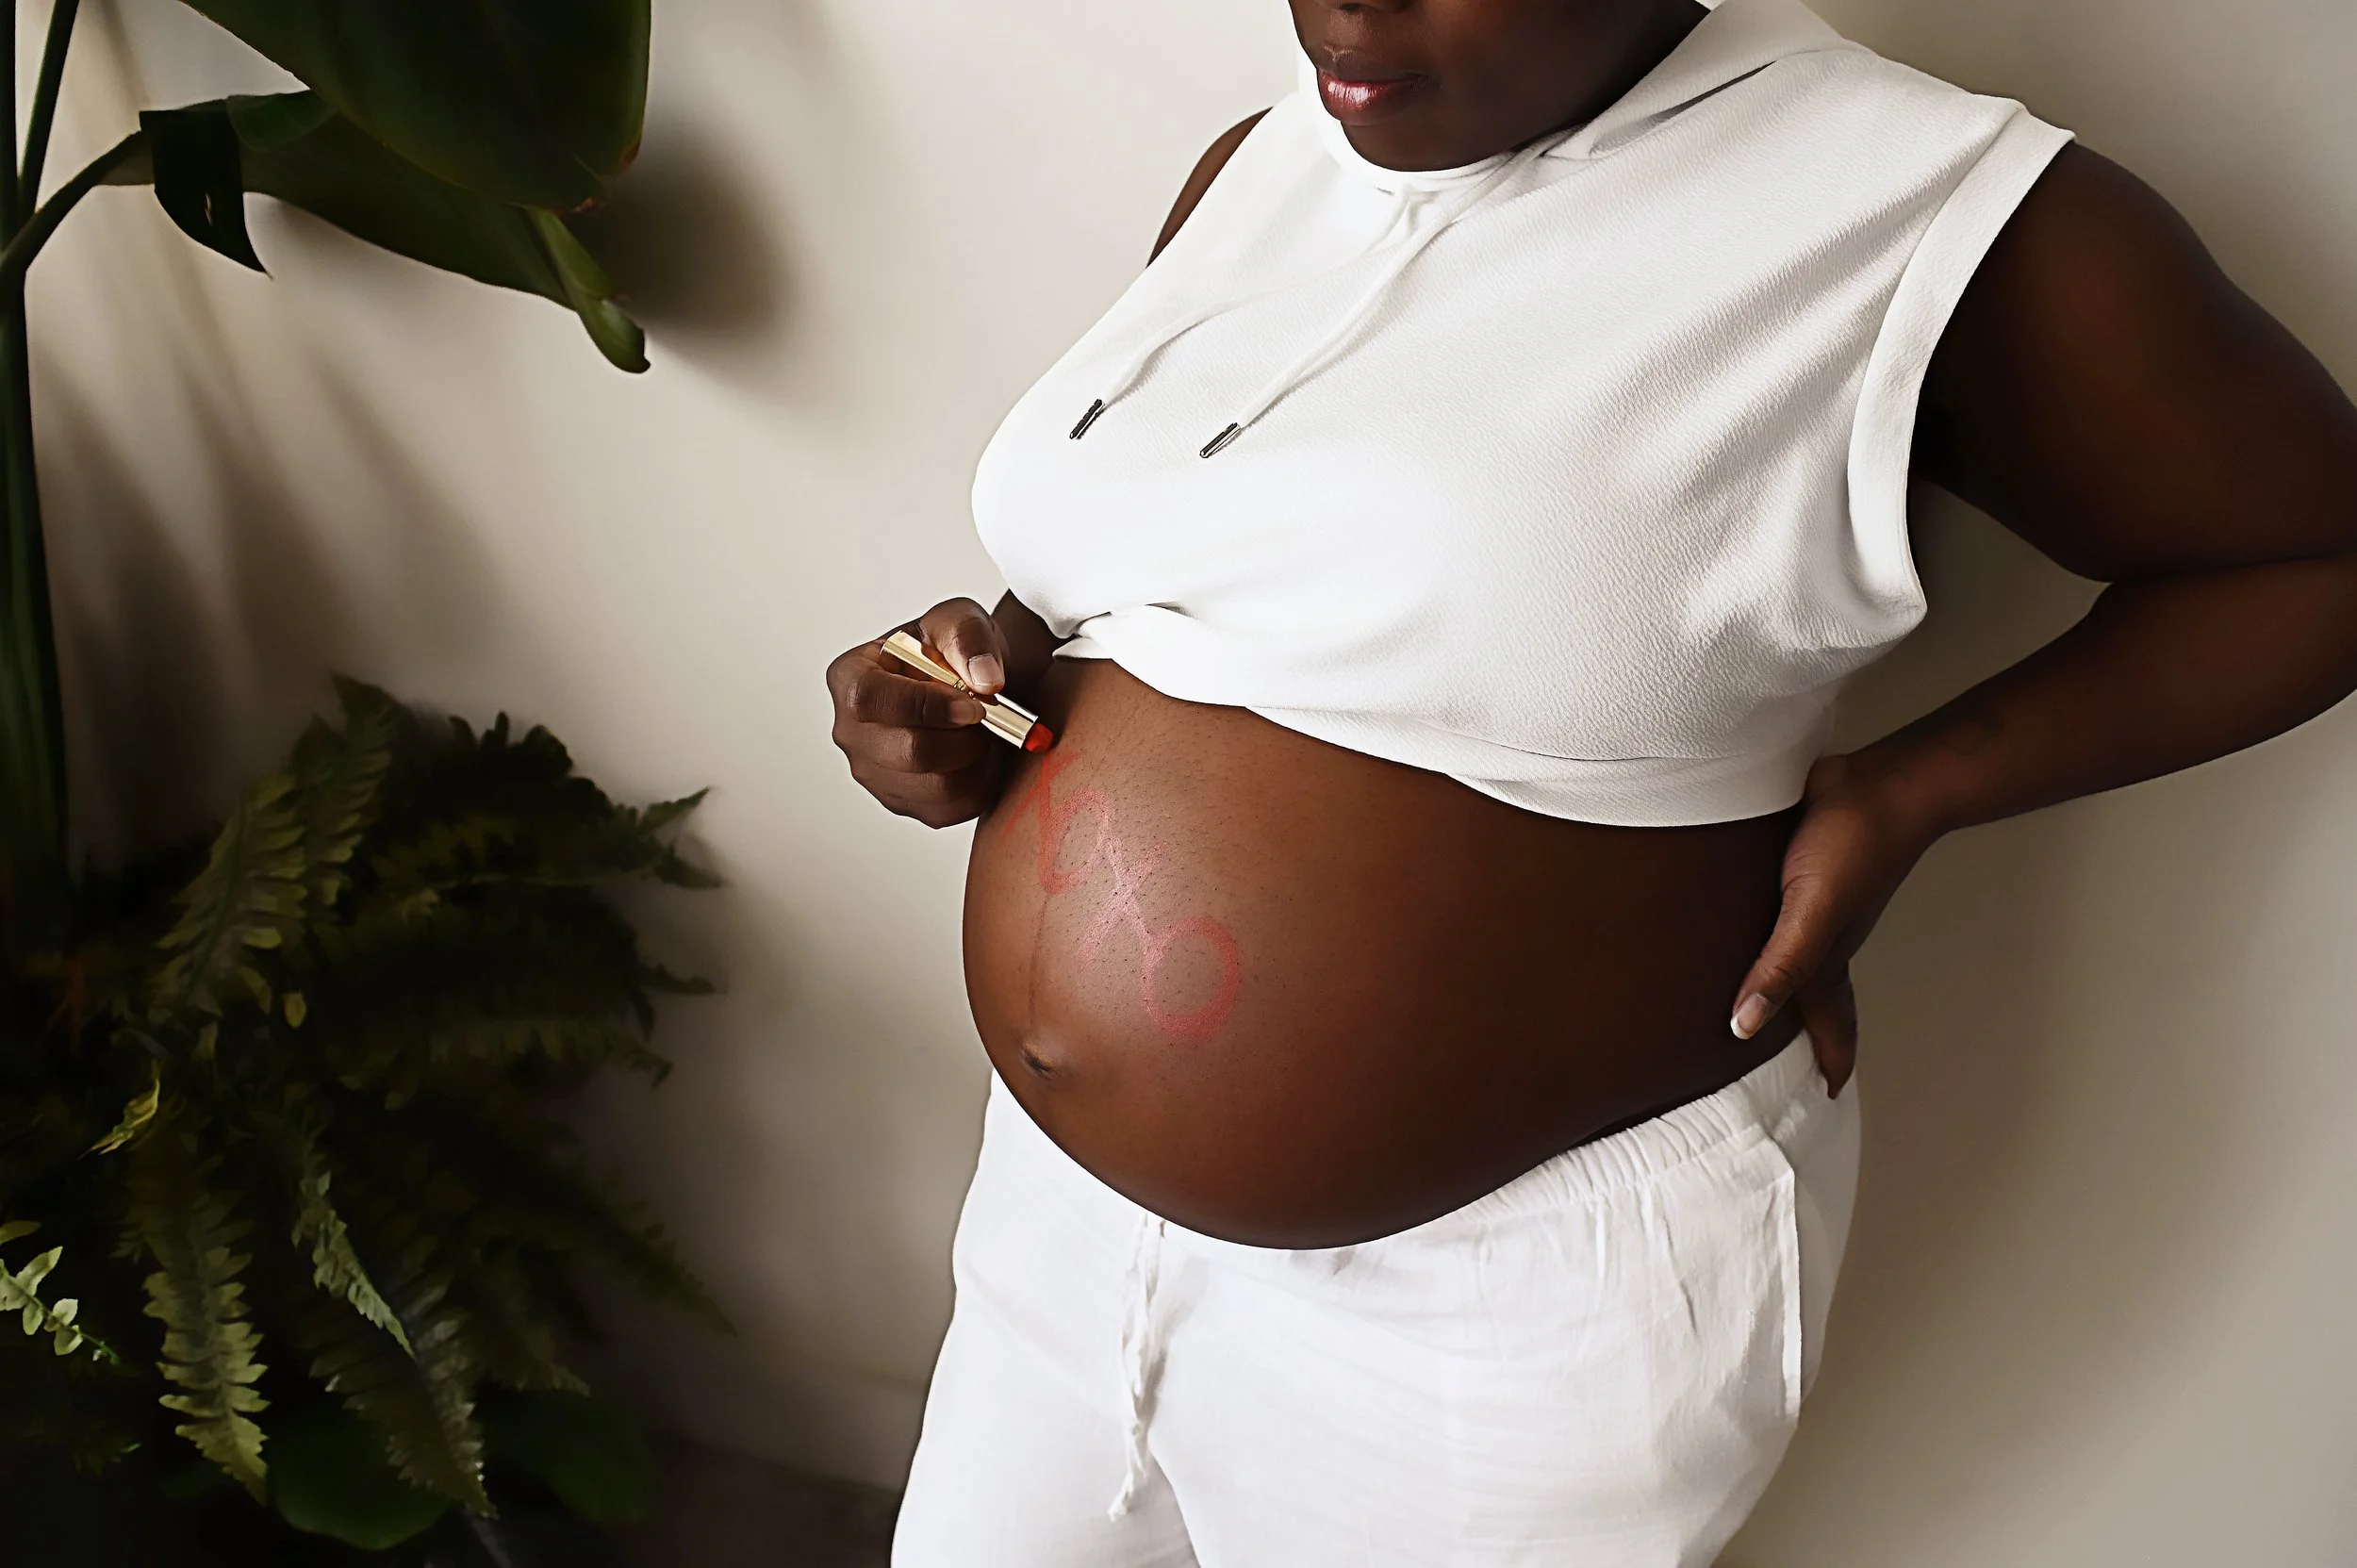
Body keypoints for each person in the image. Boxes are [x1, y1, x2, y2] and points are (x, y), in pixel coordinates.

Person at [828, 0, 2357, 1560]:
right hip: (1060, 1225)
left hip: (1493, 1314)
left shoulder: (1921, 209)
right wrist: (957, 687)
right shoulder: (1278, 148)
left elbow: (2312, 558)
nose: (1340, 10)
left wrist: (1914, 792)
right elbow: (1148, 576)